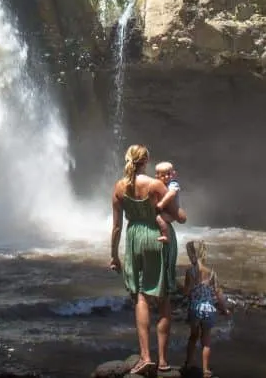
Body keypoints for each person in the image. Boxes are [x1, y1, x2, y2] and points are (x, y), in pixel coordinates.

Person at [110, 145, 186, 375]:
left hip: (134, 238)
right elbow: (180, 217)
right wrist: (176, 205)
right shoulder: (156, 185)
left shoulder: (119, 187)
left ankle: (145, 357)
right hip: (158, 237)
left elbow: (116, 227)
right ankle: (163, 361)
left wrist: (114, 255)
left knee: (140, 296)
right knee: (163, 299)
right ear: (147, 161)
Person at [182, 240, 231, 378]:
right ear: (204, 254)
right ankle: (205, 370)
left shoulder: (190, 272)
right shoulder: (211, 273)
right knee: (206, 340)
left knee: (193, 337)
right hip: (209, 309)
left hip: (195, 308)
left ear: (191, 255)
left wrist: (184, 290)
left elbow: (186, 291)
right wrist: (225, 309)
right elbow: (218, 293)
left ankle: (189, 363)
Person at [153, 161, 181, 244]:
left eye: (168, 174)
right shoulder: (158, 184)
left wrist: (161, 203)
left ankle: (166, 236)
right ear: (157, 176)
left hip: (172, 213)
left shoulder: (173, 184)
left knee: (158, 218)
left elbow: (171, 194)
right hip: (164, 210)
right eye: (162, 175)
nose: (166, 177)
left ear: (174, 174)